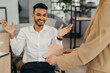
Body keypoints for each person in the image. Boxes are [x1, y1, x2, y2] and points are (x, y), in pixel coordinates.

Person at [0, 3, 73, 73]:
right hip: (29, 66)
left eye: (44, 15)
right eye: (38, 15)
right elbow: (17, 52)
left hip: (47, 65)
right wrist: (12, 34)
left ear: (46, 16)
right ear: (33, 15)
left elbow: (58, 54)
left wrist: (59, 37)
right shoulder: (24, 31)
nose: (41, 18)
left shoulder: (53, 31)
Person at [45, 0, 110, 73]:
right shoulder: (104, 5)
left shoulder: (107, 7)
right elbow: (99, 45)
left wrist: (58, 60)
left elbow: (92, 48)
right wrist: (76, 51)